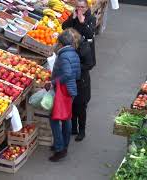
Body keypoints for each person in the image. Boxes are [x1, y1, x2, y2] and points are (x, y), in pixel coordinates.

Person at [62, 0, 96, 141]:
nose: (79, 9)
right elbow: (64, 28)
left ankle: (81, 129)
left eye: (82, 7)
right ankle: (73, 128)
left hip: (81, 70)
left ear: (87, 7)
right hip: (72, 61)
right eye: (77, 7)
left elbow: (90, 34)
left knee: (81, 103)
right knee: (72, 101)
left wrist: (82, 22)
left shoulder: (90, 19)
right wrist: (72, 19)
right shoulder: (74, 17)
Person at [45, 30, 81, 162]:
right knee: (66, 118)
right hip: (71, 90)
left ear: (60, 43)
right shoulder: (73, 54)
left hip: (63, 91)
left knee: (54, 118)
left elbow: (67, 74)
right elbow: (76, 74)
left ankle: (59, 148)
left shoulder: (64, 56)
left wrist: (53, 82)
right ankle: (64, 145)